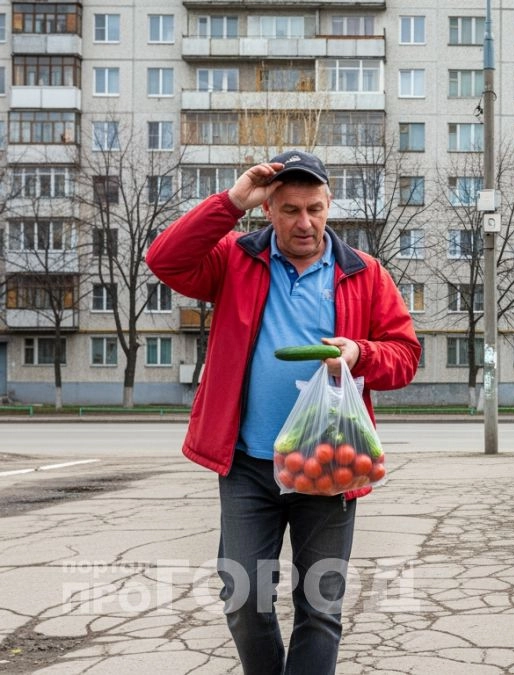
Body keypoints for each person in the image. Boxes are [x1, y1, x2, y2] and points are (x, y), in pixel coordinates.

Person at [146, 150, 421, 674]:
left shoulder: (364, 273)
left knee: (321, 608)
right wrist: (229, 202)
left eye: (315, 208)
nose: (305, 222)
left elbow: (406, 355)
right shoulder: (234, 259)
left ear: (329, 205)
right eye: (290, 209)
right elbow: (166, 260)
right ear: (268, 208)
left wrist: (361, 353)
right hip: (248, 462)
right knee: (244, 599)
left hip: (330, 463)